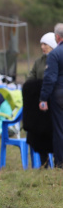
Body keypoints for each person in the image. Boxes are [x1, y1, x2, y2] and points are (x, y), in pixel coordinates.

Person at [39, 23, 63, 166]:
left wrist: (43, 98)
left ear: (57, 37)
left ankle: (60, 162)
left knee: (60, 129)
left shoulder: (55, 54)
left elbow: (50, 78)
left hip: (59, 96)